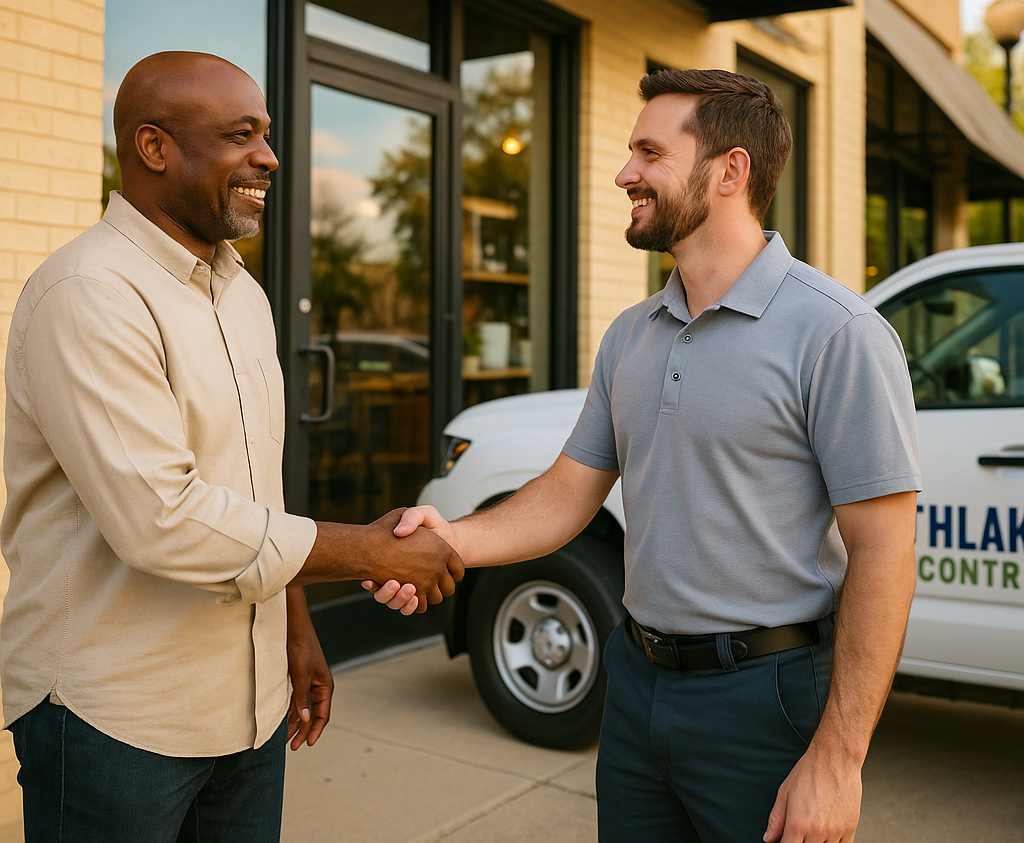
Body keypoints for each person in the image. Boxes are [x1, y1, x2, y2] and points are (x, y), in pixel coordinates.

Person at [371, 69, 921, 843]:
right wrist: (449, 537)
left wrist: (838, 755)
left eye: (649, 152)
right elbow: (567, 492)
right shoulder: (631, 334)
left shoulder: (837, 333)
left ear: (730, 170)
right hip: (634, 686)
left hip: (766, 697)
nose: (625, 172)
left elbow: (886, 551)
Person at [1, 51, 462, 843]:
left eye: (268, 134)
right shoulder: (89, 295)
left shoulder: (242, 292)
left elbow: (250, 491)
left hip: (248, 706)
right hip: (115, 715)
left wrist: (296, 626)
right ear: (154, 147)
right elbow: (161, 517)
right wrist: (369, 552)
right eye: (241, 135)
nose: (269, 157)